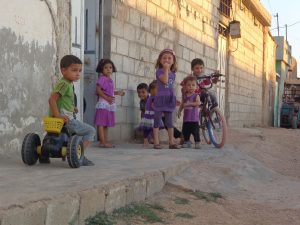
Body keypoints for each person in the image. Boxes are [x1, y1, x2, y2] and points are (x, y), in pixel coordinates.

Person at [48, 55, 95, 166]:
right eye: (74, 70)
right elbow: (52, 100)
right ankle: (80, 155)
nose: (78, 73)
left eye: (79, 70)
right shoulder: (64, 84)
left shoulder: (67, 83)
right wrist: (58, 115)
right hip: (65, 120)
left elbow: (61, 100)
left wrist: (72, 108)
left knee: (77, 132)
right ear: (63, 70)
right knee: (91, 131)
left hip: (63, 117)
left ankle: (44, 156)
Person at [153, 49, 181, 149]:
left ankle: (171, 142)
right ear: (160, 60)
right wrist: (165, 69)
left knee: (169, 122)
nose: (167, 60)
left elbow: (169, 85)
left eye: (169, 58)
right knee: (157, 120)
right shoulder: (159, 71)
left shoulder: (173, 74)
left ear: (173, 61)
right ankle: (156, 142)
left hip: (169, 98)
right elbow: (164, 81)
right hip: (160, 99)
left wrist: (174, 97)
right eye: (164, 58)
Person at [94, 59, 125, 148]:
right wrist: (107, 98)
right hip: (103, 104)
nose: (108, 69)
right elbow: (98, 90)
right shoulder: (102, 79)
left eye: (110, 67)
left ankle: (104, 141)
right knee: (101, 124)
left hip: (108, 104)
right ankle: (103, 142)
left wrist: (117, 93)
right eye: (106, 68)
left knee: (106, 124)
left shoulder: (110, 80)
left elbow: (109, 92)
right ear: (101, 69)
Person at [178, 76, 201, 149]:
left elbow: (198, 103)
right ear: (185, 86)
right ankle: (187, 141)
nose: (191, 87)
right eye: (189, 85)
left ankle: (197, 142)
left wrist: (189, 104)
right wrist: (179, 110)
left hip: (194, 119)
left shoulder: (196, 96)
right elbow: (182, 104)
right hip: (186, 119)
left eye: (193, 85)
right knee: (185, 131)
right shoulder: (185, 96)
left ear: (196, 87)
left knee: (195, 132)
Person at [139, 81, 162, 146]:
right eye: (157, 89)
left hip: (148, 115)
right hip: (152, 115)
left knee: (148, 128)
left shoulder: (150, 97)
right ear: (152, 90)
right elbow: (153, 106)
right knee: (154, 128)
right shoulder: (153, 98)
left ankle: (146, 140)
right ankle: (154, 140)